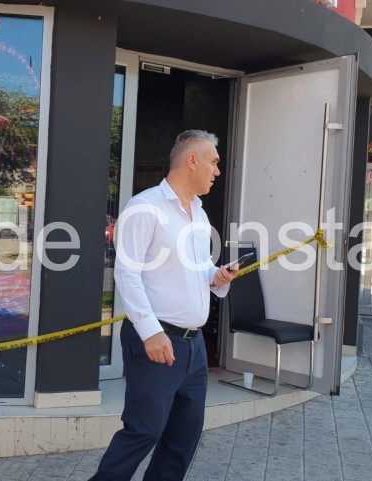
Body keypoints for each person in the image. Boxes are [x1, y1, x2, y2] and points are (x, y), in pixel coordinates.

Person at [90, 130, 238, 481]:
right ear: (192, 160)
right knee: (143, 431)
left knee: (183, 437)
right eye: (214, 162)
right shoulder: (145, 207)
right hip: (158, 341)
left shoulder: (198, 214)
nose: (217, 171)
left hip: (193, 346)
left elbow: (197, 268)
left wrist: (216, 276)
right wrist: (151, 333)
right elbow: (127, 274)